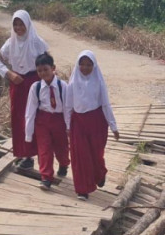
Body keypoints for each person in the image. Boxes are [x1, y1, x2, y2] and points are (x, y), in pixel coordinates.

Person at [0, 10, 48, 169]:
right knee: (19, 119)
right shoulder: (10, 44)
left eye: (21, 24)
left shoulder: (37, 43)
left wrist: (47, 80)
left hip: (35, 83)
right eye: (15, 24)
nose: (18, 28)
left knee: (37, 118)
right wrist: (9, 74)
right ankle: (25, 155)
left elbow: (47, 63)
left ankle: (43, 155)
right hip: (17, 83)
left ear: (28, 24)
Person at [65, 50, 119, 200]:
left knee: (96, 154)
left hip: (96, 122)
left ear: (94, 66)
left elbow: (106, 105)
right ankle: (83, 189)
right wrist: (67, 126)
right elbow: (68, 107)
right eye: (82, 64)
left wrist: (113, 126)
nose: (85, 67)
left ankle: (99, 173)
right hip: (78, 123)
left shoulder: (99, 83)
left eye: (89, 64)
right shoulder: (72, 84)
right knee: (80, 155)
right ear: (77, 65)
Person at [24, 53, 70, 190]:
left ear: (53, 68)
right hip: (42, 121)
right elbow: (30, 110)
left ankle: (64, 163)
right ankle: (46, 177)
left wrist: (68, 125)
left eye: (46, 69)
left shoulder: (63, 86)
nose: (43, 73)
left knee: (62, 148)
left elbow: (68, 108)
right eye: (39, 71)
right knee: (44, 150)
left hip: (59, 120)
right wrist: (28, 133)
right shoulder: (35, 88)